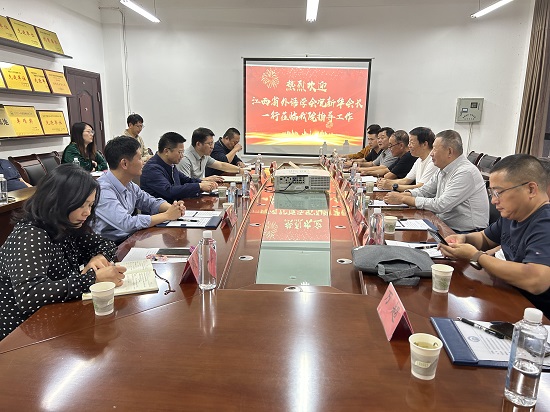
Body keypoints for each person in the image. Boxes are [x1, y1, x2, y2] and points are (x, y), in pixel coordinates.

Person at [0, 163, 125, 341]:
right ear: (58, 201)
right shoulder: (30, 235)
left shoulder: (67, 225)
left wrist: (98, 257)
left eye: (91, 205)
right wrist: (92, 279)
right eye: (82, 205)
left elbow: (106, 244)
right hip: (19, 335)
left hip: (53, 320)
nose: (87, 213)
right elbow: (30, 295)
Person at [439, 154, 550, 316]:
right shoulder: (513, 214)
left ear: (531, 189)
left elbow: (536, 280)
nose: (493, 201)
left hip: (535, 315)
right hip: (508, 294)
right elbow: (485, 238)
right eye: (492, 193)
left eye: (499, 193)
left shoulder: (545, 223)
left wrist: (477, 256)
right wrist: (464, 239)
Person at [384, 130, 488, 233]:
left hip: (465, 233)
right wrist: (405, 194)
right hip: (442, 224)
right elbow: (425, 191)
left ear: (449, 151)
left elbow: (441, 205)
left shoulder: (465, 172)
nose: (431, 154)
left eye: (434, 149)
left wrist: (403, 198)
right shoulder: (442, 168)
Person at [93, 136, 185, 243]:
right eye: (140, 158)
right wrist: (166, 215)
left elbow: (150, 202)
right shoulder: (103, 190)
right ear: (124, 163)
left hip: (128, 240)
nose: (143, 162)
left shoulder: (129, 185)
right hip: (109, 246)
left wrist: (173, 208)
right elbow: (126, 223)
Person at [141, 132, 217, 202]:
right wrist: (199, 186)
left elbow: (186, 180)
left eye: (183, 152)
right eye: (180, 152)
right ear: (166, 151)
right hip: (161, 211)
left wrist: (204, 183)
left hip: (176, 207)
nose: (182, 156)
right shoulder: (152, 169)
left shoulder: (171, 165)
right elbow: (169, 191)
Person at [377, 127, 437, 192]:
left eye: (412, 143)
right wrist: (386, 182)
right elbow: (406, 180)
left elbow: (421, 187)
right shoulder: (419, 160)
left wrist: (393, 186)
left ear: (424, 144)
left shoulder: (433, 161)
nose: (409, 146)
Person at [177, 127, 243, 179]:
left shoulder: (204, 156)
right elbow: (186, 183)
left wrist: (239, 170)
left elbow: (221, 165)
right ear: (198, 144)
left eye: (212, 143)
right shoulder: (185, 159)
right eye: (210, 144)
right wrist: (206, 179)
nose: (212, 147)